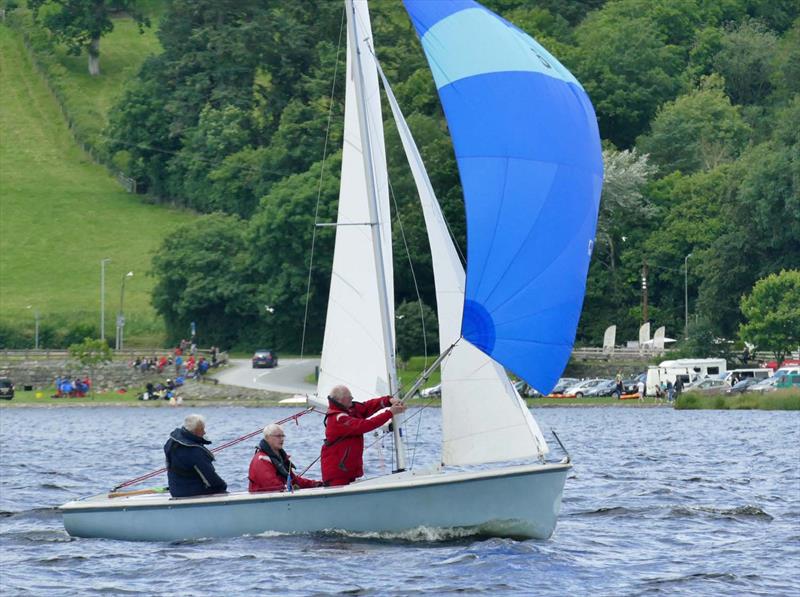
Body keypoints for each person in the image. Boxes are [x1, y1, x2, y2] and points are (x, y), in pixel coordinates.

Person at [321, 385, 406, 487]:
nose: (352, 399)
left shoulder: (349, 409)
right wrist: (390, 413)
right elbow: (365, 425)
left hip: (348, 472)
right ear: (340, 400)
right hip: (337, 475)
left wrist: (388, 400)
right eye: (349, 397)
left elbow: (367, 407)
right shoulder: (338, 418)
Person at [163, 414, 227, 498]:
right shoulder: (194, 451)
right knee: (221, 490)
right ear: (195, 431)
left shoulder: (171, 442)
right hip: (192, 492)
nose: (204, 432)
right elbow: (210, 478)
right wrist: (223, 486)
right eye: (202, 429)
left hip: (175, 490)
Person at [248, 424, 322, 492]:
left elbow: (294, 480)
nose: (282, 439)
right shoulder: (261, 459)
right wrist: (291, 489)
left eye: (283, 436)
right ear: (267, 438)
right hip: (264, 501)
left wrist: (315, 484)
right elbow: (271, 485)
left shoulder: (281, 458)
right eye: (278, 436)